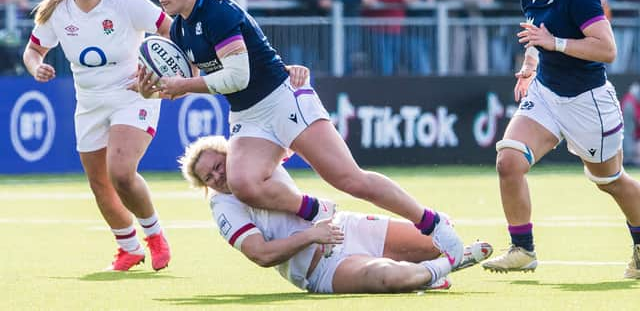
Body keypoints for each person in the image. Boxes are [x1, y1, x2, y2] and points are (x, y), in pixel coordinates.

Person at [140, 0, 465, 268]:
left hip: (281, 98)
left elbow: (236, 76)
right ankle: (316, 211)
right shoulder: (182, 27)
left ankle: (433, 224)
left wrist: (183, 84)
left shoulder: (217, 10)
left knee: (350, 179)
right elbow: (203, 78)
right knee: (243, 182)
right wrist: (157, 89)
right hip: (248, 113)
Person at [481, 0, 640, 280]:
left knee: (610, 182)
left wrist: (555, 44)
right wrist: (530, 64)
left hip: (588, 102)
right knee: (508, 160)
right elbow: (539, 37)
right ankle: (523, 249)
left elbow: (607, 50)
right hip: (547, 94)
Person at [179, 134, 494, 293]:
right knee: (391, 277)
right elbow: (260, 254)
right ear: (206, 187)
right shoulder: (222, 205)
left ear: (231, 154)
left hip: (346, 228)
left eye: (219, 166)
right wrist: (310, 235)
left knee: (440, 237)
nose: (218, 177)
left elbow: (287, 128)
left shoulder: (254, 159)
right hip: (320, 268)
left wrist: (296, 80)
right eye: (209, 177)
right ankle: (445, 266)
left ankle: (432, 267)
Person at [22, 0, 173, 272]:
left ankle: (155, 234)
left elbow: (170, 30)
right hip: (89, 102)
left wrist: (167, 68)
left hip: (134, 94)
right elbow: (33, 51)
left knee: (120, 172)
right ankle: (128, 247)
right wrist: (37, 68)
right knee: (100, 183)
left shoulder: (126, 1)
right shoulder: (57, 12)